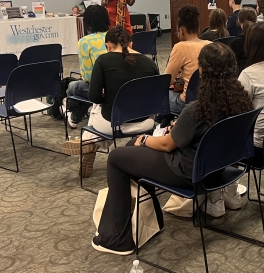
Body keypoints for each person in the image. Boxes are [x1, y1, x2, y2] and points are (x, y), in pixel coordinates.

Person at [92, 42, 254, 255]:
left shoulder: (199, 108)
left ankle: (118, 238)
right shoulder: (241, 103)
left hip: (186, 171)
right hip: (216, 168)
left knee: (116, 157)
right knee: (130, 152)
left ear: (202, 70)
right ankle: (151, 220)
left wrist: (144, 140)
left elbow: (167, 145)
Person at [79, 25, 159, 174]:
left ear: (107, 46)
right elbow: (156, 98)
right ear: (131, 44)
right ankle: (91, 143)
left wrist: (109, 98)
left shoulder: (103, 60)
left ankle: (89, 142)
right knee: (109, 110)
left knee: (96, 108)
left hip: (112, 124)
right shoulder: (150, 63)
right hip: (145, 123)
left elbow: (94, 96)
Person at [64, 5, 110, 129]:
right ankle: (74, 117)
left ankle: (72, 113)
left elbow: (88, 76)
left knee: (72, 87)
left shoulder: (84, 42)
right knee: (85, 90)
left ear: (87, 23)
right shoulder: (115, 36)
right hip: (121, 86)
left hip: (102, 89)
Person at [165, 5, 211, 113]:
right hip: (209, 100)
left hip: (188, 103)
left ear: (181, 31)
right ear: (198, 29)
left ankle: (163, 127)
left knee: (160, 94)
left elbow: (167, 80)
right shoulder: (210, 45)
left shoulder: (180, 47)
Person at [229, 7, 258, 72]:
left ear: (239, 21)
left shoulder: (235, 43)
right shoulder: (263, 39)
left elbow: (232, 66)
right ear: (256, 21)